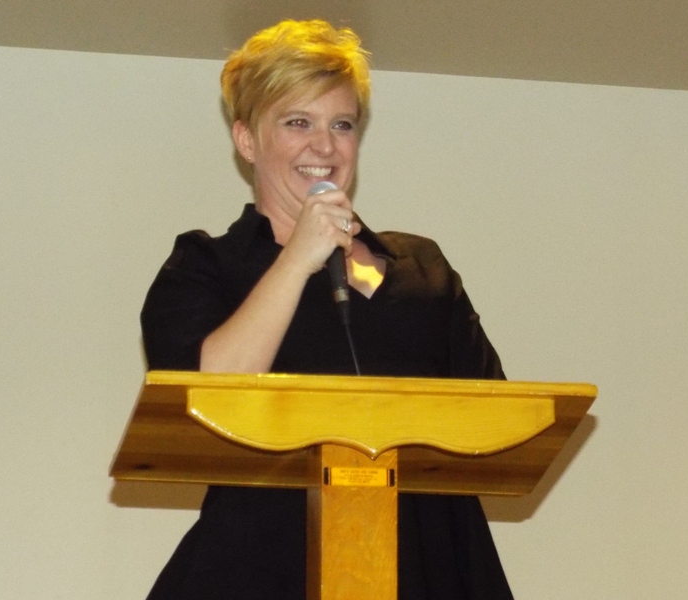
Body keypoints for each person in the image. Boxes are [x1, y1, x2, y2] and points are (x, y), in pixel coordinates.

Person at [140, 19, 514, 600]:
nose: (325, 146)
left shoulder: (421, 266)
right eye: (298, 122)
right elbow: (207, 399)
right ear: (246, 140)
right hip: (262, 564)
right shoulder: (206, 265)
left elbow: (498, 423)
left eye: (342, 124)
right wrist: (297, 259)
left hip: (433, 561)